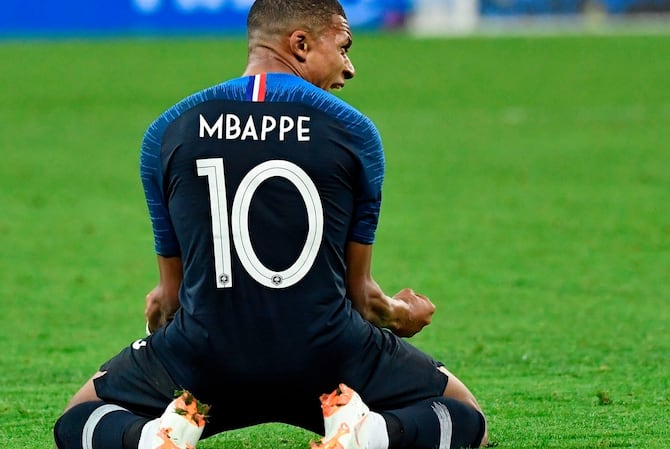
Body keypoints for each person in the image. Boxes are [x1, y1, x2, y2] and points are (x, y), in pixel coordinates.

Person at [53, 1, 488, 448]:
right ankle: (370, 435)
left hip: (205, 361)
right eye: (343, 47)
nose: (349, 67)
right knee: (466, 417)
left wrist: (163, 336)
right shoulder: (354, 132)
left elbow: (170, 297)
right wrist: (403, 313)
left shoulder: (168, 131)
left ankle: (149, 439)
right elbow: (363, 300)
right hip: (328, 358)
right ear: (300, 43)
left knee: (78, 418)